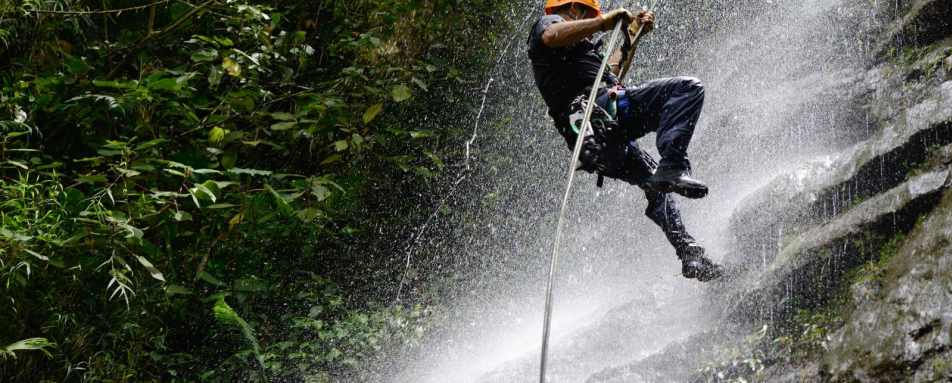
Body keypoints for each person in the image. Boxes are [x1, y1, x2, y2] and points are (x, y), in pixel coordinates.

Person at [527, 0, 722, 281]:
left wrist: (633, 34)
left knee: (657, 184)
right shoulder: (548, 25)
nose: (590, 26)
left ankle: (689, 251)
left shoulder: (579, 54)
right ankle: (674, 165)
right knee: (687, 89)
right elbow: (552, 36)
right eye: (586, 15)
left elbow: (610, 76)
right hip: (598, 116)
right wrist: (604, 22)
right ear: (574, 10)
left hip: (602, 142)